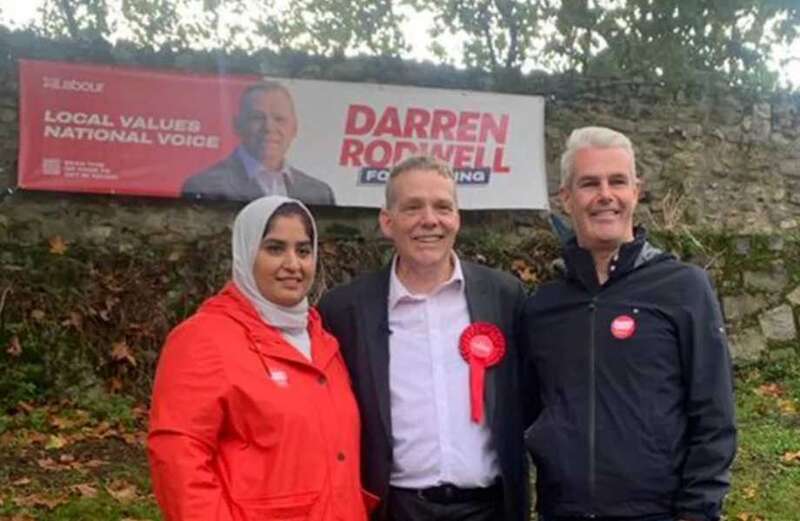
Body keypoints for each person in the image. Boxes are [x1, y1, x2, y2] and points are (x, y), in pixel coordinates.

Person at [521, 127, 736, 521]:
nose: (605, 195)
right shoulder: (543, 307)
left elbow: (714, 417)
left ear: (636, 191)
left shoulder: (684, 287)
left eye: (617, 181)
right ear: (566, 198)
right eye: (589, 183)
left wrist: (698, 512)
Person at [318, 155, 529, 521]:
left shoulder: (505, 296)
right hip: (395, 508)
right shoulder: (344, 310)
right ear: (387, 221)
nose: (429, 220)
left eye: (442, 207)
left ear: (457, 219)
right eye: (413, 207)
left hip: (491, 508)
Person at [148, 195, 372, 520]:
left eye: (304, 250)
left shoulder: (323, 341)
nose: (293, 264)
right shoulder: (203, 339)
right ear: (246, 252)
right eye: (275, 248)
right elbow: (179, 457)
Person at [182, 82, 336, 205]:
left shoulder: (320, 193)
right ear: (237, 125)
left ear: (294, 128)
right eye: (257, 118)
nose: (269, 127)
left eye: (279, 119)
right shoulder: (203, 186)